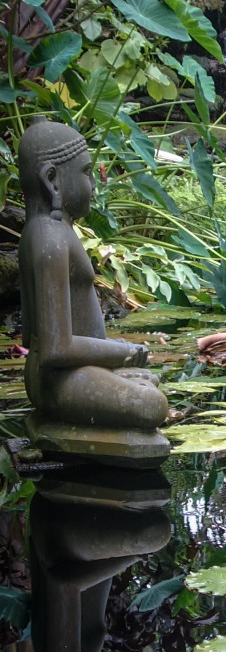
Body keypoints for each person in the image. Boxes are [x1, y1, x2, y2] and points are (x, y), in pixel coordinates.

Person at [17, 116, 167, 430]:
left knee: (149, 381)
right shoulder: (51, 239)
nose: (94, 184)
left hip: (70, 371)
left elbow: (31, 327)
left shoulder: (43, 232)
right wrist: (125, 353)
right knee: (151, 404)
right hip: (57, 380)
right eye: (87, 173)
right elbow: (55, 348)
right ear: (52, 180)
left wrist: (108, 360)